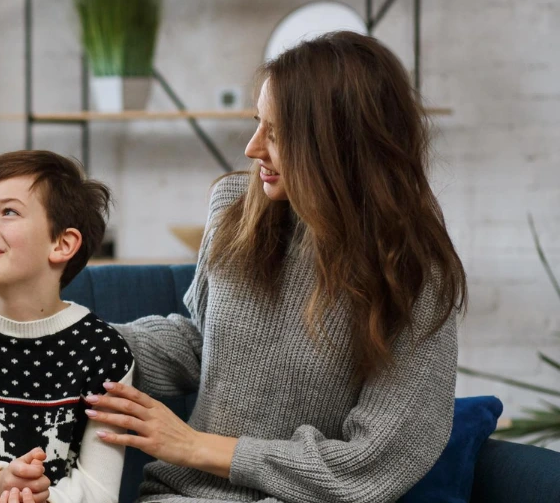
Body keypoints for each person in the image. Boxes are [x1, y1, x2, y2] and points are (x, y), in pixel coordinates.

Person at [88, 31, 467, 502]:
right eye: (256, 123)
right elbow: (205, 346)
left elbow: (375, 462)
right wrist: (78, 339)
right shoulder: (234, 209)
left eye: (278, 132)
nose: (251, 148)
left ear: (339, 141)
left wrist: (194, 446)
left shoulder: (414, 273)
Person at [0, 150, 135, 503]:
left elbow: (98, 491)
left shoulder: (104, 352)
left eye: (9, 212)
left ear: (62, 244)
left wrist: (37, 499)